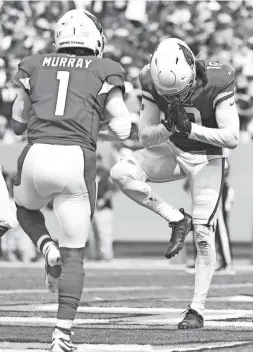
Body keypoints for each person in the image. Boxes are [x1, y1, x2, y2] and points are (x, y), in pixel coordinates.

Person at [11, 9, 131, 352]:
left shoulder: (33, 63)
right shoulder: (106, 69)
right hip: (76, 160)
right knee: (75, 254)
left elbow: (18, 122)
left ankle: (45, 246)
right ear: (95, 39)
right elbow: (122, 126)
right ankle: (61, 335)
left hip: (36, 155)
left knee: (22, 208)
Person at [110, 38, 239, 329]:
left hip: (208, 158)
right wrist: (169, 127)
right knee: (121, 172)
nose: (177, 98)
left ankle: (196, 309)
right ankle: (176, 219)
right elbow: (145, 136)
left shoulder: (219, 78)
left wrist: (189, 128)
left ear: (193, 70)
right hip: (172, 151)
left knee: (205, 234)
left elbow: (232, 138)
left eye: (182, 92)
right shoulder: (149, 78)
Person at [88, 153, 117, 261]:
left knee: (105, 232)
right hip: (90, 207)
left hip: (103, 207)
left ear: (100, 161)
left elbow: (112, 189)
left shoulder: (106, 173)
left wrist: (103, 199)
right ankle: (94, 255)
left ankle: (107, 255)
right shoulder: (87, 174)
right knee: (91, 234)